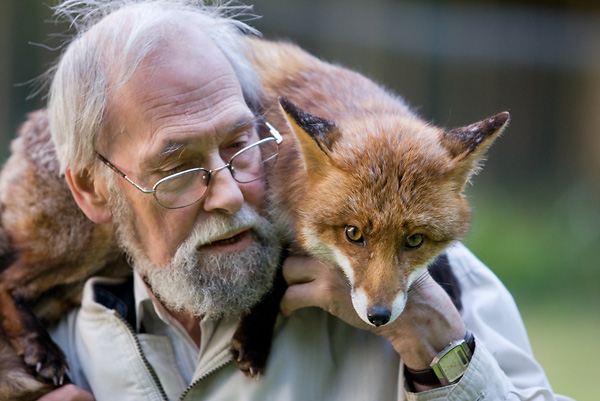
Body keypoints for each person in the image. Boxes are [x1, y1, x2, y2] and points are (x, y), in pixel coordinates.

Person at [37, 0, 572, 400]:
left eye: (239, 143)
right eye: (178, 166)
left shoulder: (443, 290)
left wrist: (439, 347)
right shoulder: (54, 318)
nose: (226, 192)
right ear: (91, 189)